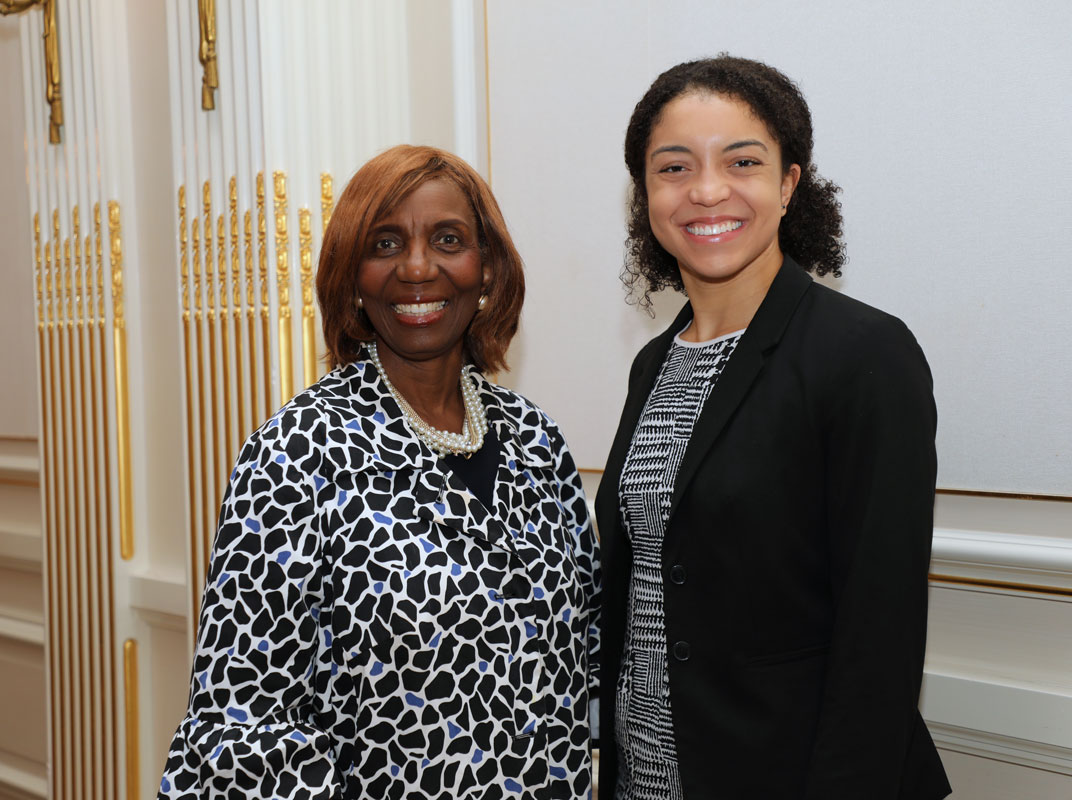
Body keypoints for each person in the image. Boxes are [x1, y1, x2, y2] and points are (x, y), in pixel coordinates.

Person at [159, 145, 600, 799]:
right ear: (352, 278)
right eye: (386, 243)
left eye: (448, 239)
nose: (418, 267)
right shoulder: (295, 457)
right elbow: (243, 724)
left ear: (487, 270)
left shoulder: (536, 441)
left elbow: (588, 656)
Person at [596, 55, 952, 799]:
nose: (707, 190)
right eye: (673, 167)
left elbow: (878, 637)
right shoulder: (654, 364)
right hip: (649, 778)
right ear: (647, 194)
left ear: (790, 183)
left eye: (743, 161)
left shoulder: (862, 353)